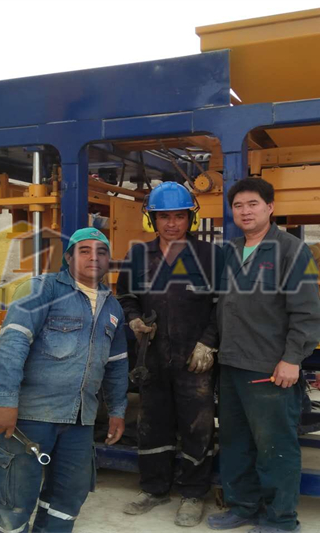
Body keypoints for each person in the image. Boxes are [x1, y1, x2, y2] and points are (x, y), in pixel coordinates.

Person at [0, 227, 128, 533]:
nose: (94, 257)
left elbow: (116, 365)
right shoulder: (41, 289)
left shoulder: (113, 307)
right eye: (85, 251)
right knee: (12, 504)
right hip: (31, 417)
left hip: (80, 421)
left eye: (101, 252)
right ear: (69, 258)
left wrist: (117, 410)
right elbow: (12, 345)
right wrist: (5, 401)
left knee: (66, 502)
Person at [207, 178, 320, 533]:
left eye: (253, 204)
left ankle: (281, 519)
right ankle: (242, 506)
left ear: (270, 207)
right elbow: (219, 305)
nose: (245, 211)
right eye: (238, 205)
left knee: (275, 446)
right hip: (231, 364)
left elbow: (307, 312)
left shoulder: (292, 251)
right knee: (235, 442)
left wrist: (292, 359)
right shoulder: (229, 251)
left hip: (269, 367)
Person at [116, 182, 222, 527]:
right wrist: (133, 319)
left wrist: (208, 342)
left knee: (197, 426)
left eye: (179, 216)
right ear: (152, 219)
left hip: (195, 360)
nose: (172, 223)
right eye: (164, 217)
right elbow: (126, 297)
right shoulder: (138, 256)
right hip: (152, 357)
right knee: (152, 423)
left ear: (191, 218)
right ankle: (154, 488)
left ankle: (193, 494)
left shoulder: (210, 256)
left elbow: (223, 304)